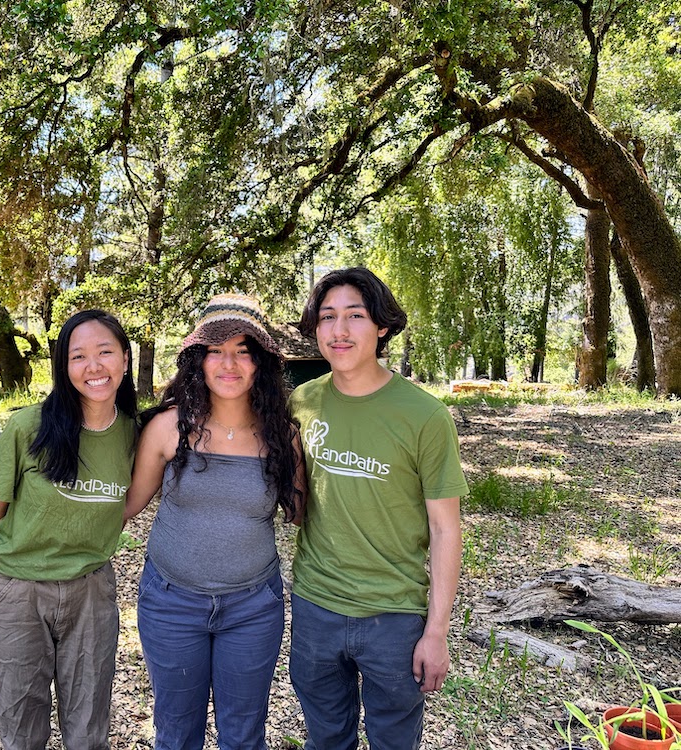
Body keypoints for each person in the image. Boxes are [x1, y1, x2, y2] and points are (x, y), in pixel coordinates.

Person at [288, 268, 467, 750]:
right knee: (326, 737)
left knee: (394, 740)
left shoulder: (424, 415)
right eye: (327, 317)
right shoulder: (302, 402)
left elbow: (446, 530)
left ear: (382, 326)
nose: (339, 331)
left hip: (393, 616)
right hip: (315, 605)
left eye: (355, 316)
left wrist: (437, 631)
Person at [124, 294, 305, 750]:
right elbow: (124, 505)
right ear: (198, 361)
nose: (230, 363)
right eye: (216, 350)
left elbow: (303, 513)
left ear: (260, 363)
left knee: (243, 735)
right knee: (176, 732)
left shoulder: (283, 435)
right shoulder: (168, 427)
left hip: (252, 609)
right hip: (170, 605)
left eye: (244, 351)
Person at [0, 309, 138, 750]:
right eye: (78, 356)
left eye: (105, 352)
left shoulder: (135, 435)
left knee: (88, 729)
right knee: (20, 726)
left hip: (91, 592)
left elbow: (127, 506)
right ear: (63, 368)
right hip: (17, 592)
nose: (94, 367)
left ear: (124, 359)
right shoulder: (27, 427)